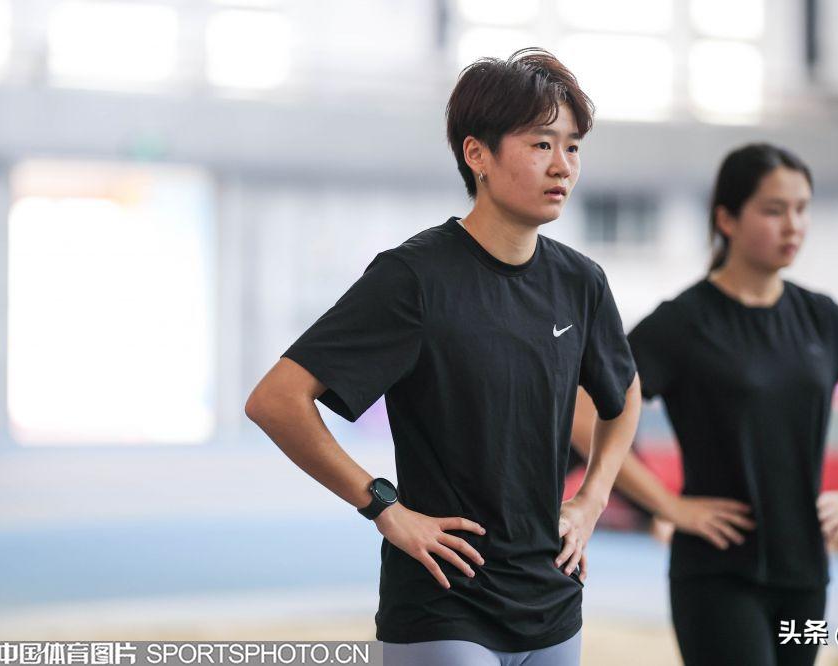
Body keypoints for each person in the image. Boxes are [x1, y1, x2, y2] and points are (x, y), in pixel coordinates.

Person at [245, 48, 641, 666]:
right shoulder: (414, 278)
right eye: (541, 144)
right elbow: (276, 400)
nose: (562, 165)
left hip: (553, 599)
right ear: (476, 154)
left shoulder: (580, 282)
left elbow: (624, 393)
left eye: (572, 147)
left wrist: (592, 500)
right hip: (443, 600)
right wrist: (383, 506)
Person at [572, 142, 838, 665]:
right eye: (774, 210)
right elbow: (584, 411)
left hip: (804, 572)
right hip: (717, 573)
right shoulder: (684, 323)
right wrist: (667, 506)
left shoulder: (822, 319)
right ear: (727, 220)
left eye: (802, 209)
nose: (793, 226)